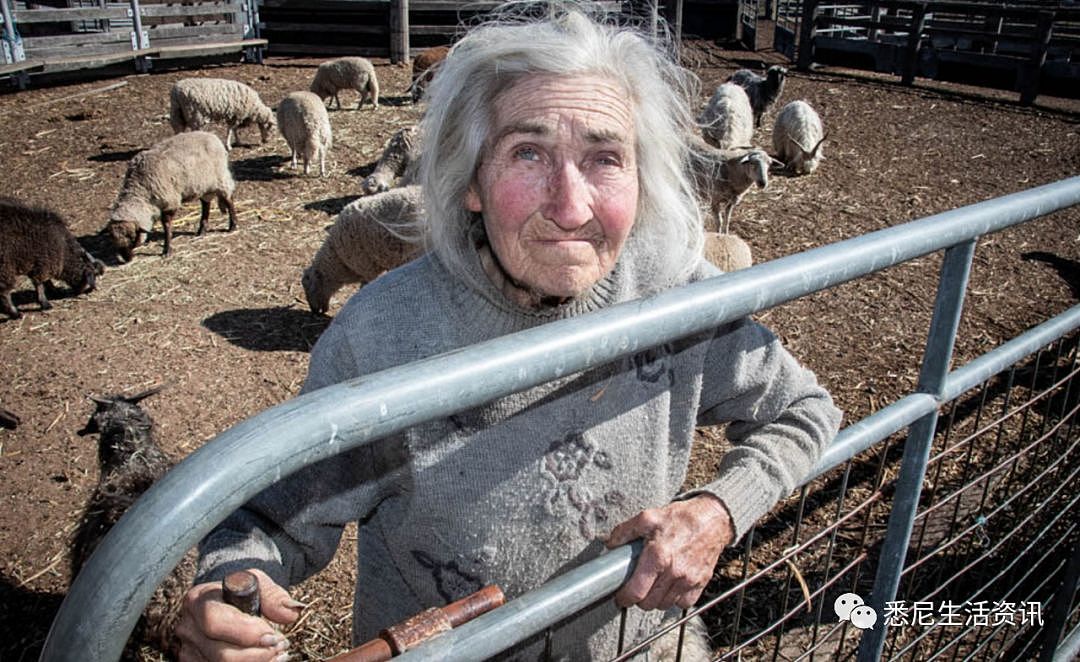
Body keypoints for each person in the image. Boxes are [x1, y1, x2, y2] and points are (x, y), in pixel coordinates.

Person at [176, 3, 842, 660]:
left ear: (640, 179)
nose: (572, 206)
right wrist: (225, 590)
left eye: (605, 157)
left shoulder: (675, 296)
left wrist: (720, 510)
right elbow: (265, 525)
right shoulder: (381, 336)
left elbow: (804, 408)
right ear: (471, 179)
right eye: (529, 152)